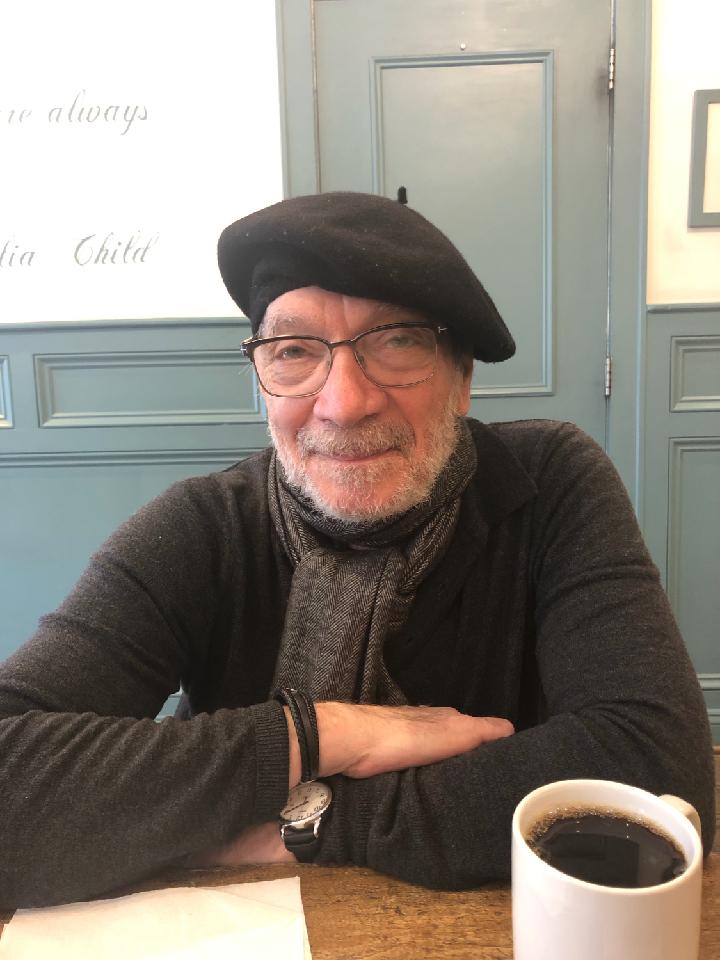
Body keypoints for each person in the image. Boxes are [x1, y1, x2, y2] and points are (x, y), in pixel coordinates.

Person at [0, 192, 714, 909]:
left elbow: (657, 770)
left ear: (462, 377)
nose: (343, 403)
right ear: (263, 380)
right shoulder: (204, 526)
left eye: (396, 342)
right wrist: (318, 732)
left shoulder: (549, 483)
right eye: (293, 352)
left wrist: (317, 823)